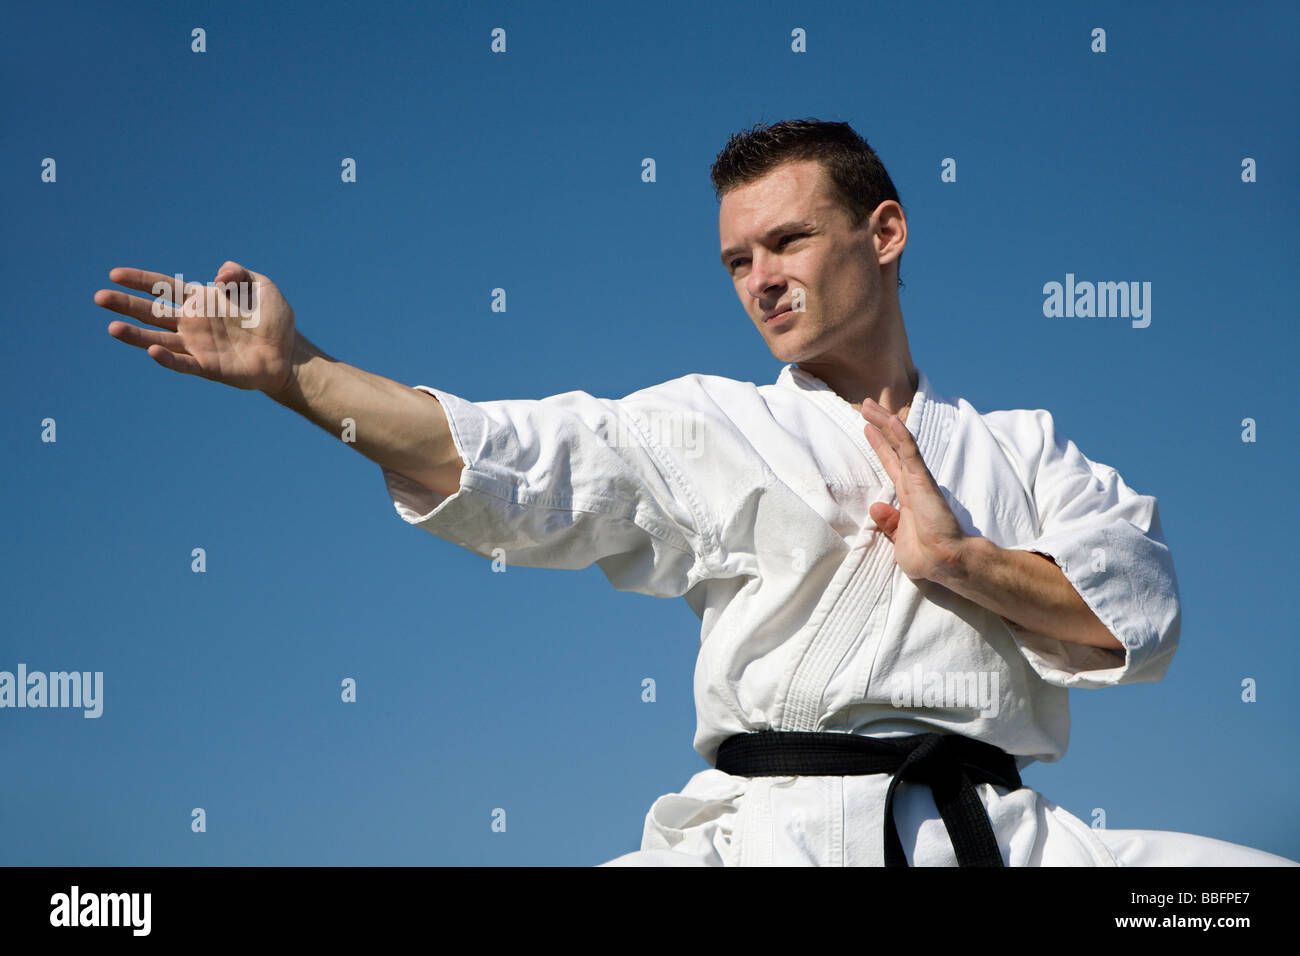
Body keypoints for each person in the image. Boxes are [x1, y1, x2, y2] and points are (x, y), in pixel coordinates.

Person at [95, 118, 1296, 867]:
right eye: (737, 260)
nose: (760, 279)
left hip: (986, 834)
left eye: (787, 242)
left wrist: (959, 561)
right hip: (761, 836)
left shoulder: (1024, 450)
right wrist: (298, 375)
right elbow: (507, 460)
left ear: (884, 231)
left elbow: (1136, 617)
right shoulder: (707, 423)